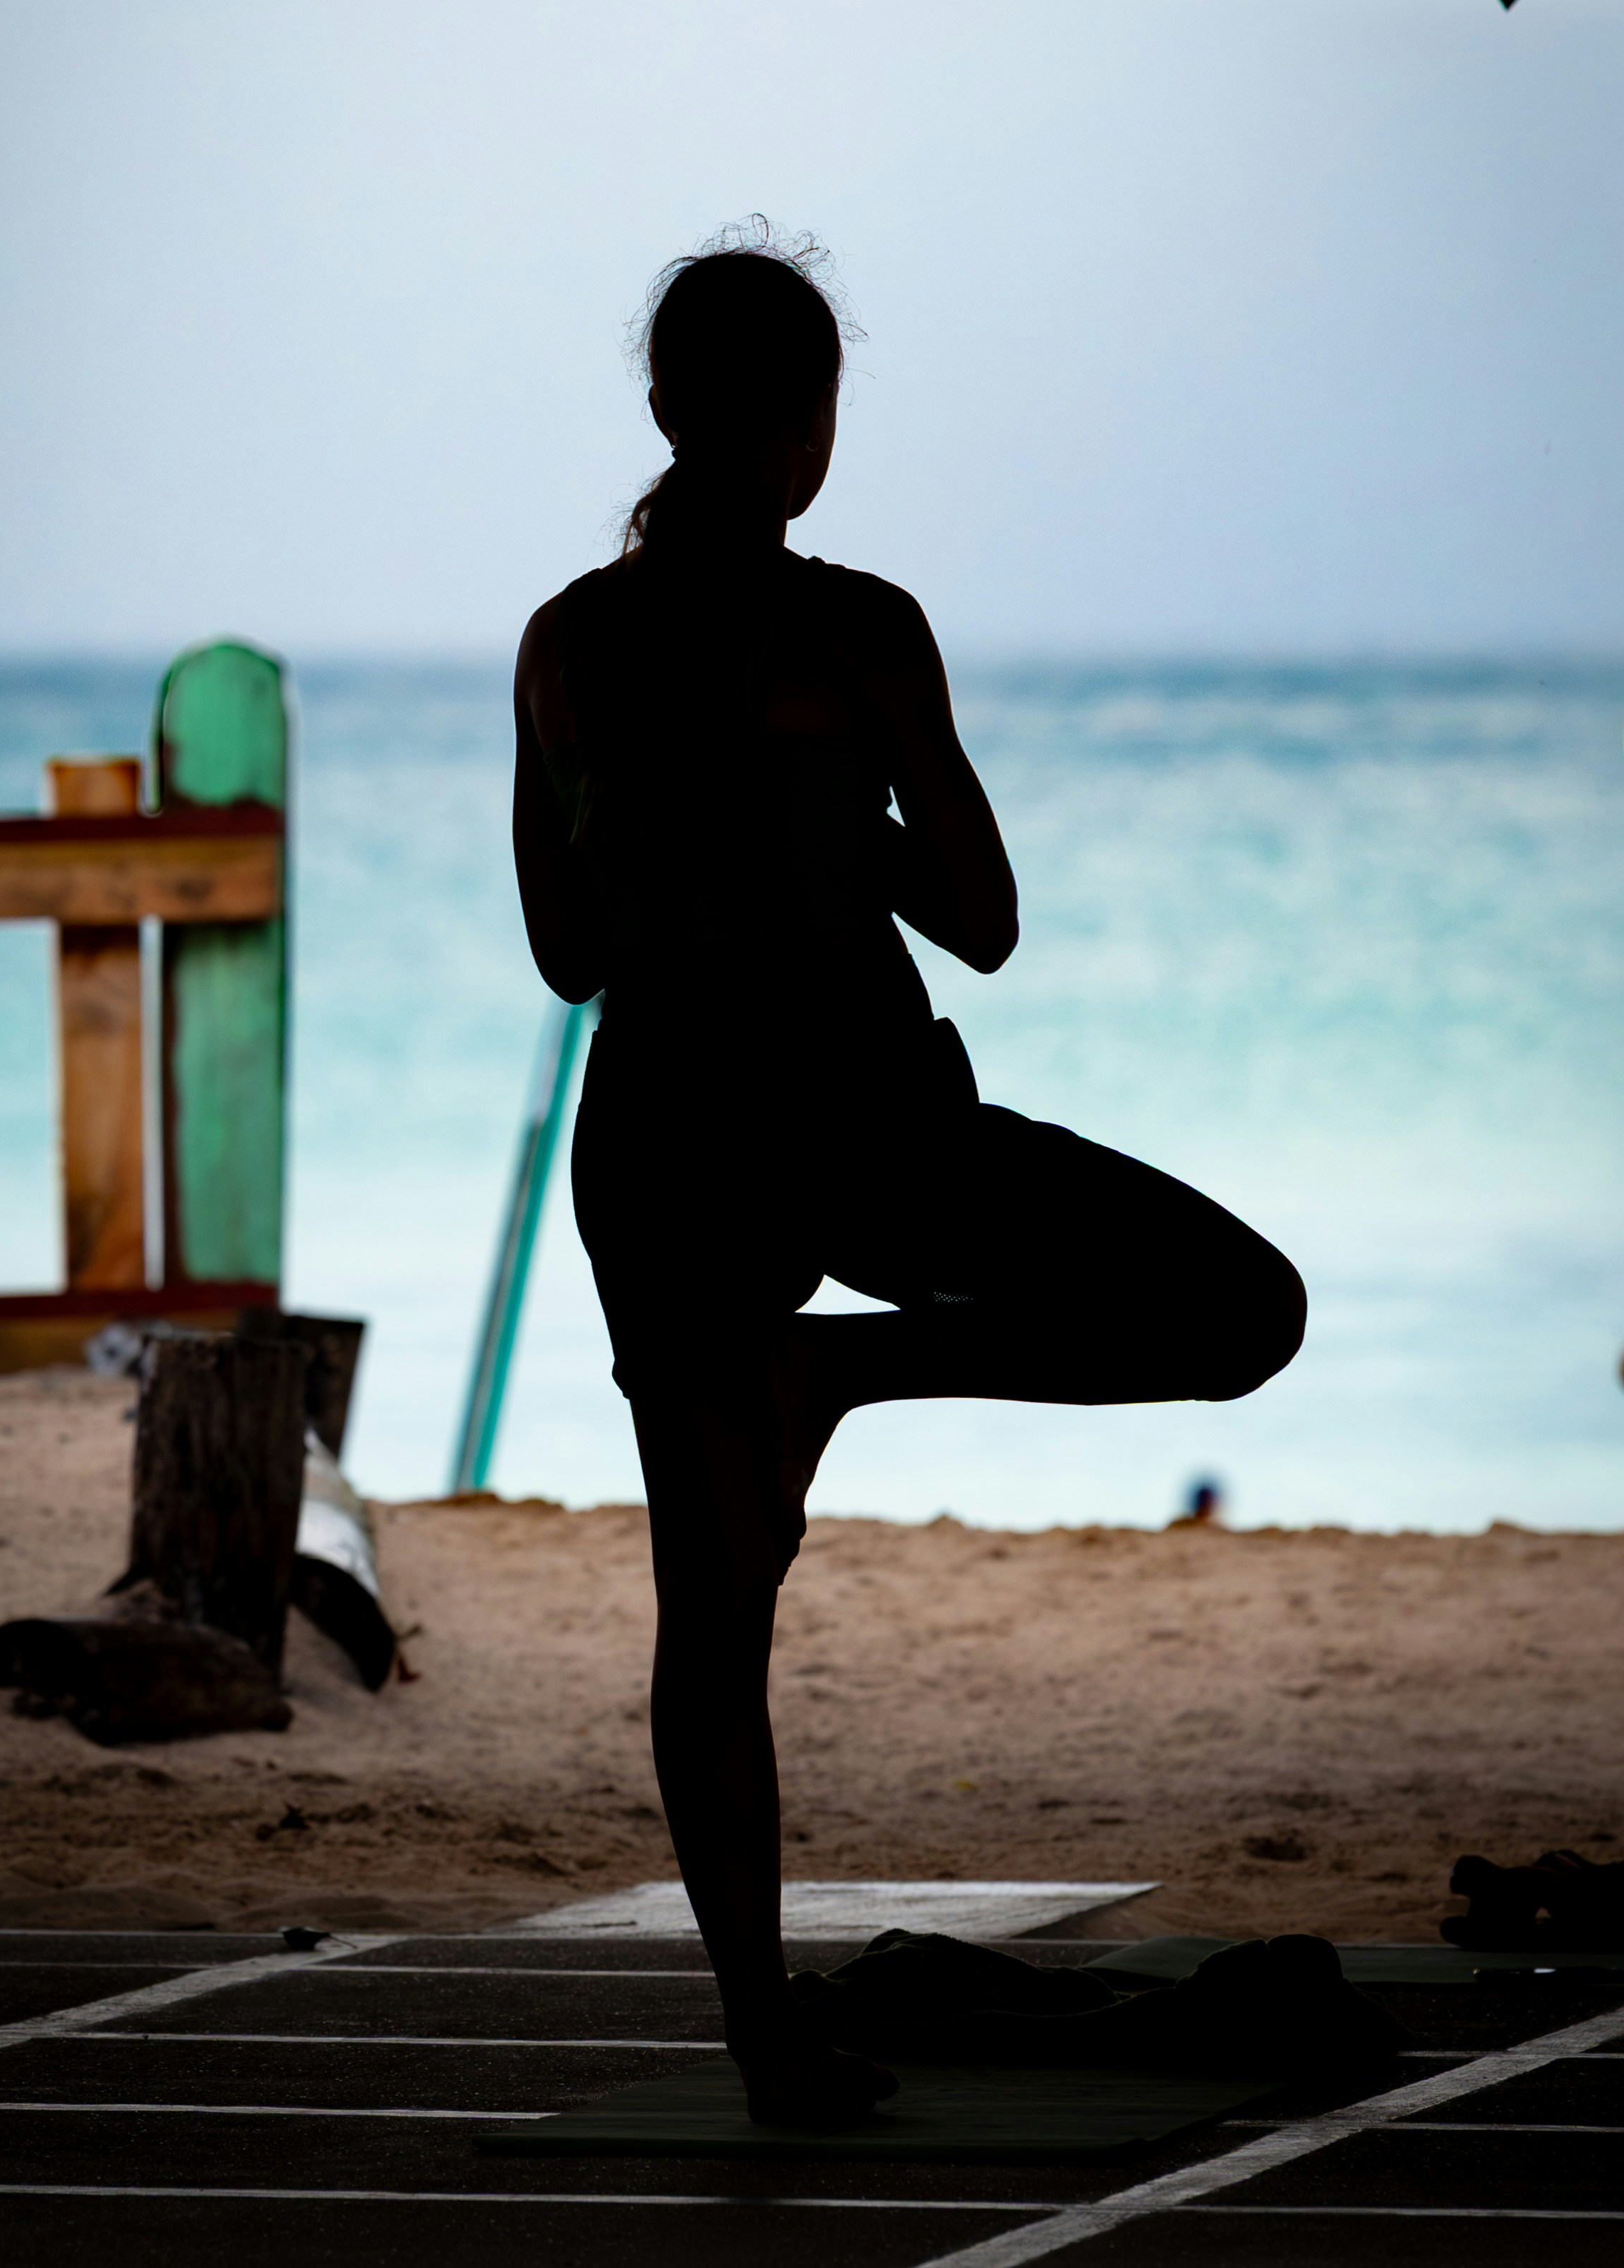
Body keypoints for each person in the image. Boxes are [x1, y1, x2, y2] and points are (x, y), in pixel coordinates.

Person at [512, 223, 1306, 2124]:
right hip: (860, 1118)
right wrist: (842, 807)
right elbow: (987, 921)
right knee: (1239, 1314)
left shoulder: (569, 643)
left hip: (673, 1134)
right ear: (803, 428)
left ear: (659, 408)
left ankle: (764, 2037)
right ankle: (844, 1371)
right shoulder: (859, 631)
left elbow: (563, 949)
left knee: (715, 1618)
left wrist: (698, 807)